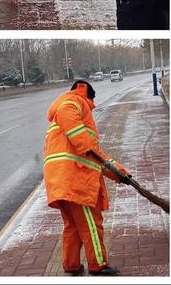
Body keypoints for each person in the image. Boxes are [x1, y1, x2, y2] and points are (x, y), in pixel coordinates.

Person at [44, 80, 130, 276]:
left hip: (61, 179)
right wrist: (85, 145)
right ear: (87, 94)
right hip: (75, 179)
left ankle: (71, 265)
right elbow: (89, 149)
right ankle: (98, 265)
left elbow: (97, 155)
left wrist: (120, 174)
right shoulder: (75, 101)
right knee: (91, 223)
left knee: (73, 226)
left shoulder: (66, 114)